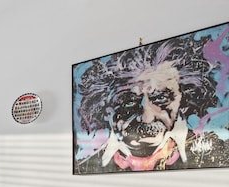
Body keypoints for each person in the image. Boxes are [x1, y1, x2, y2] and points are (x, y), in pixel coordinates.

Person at [73, 24, 229, 173]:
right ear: (107, 110)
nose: (146, 118)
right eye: (129, 102)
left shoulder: (210, 153)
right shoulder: (85, 163)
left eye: (161, 98)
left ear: (183, 102)